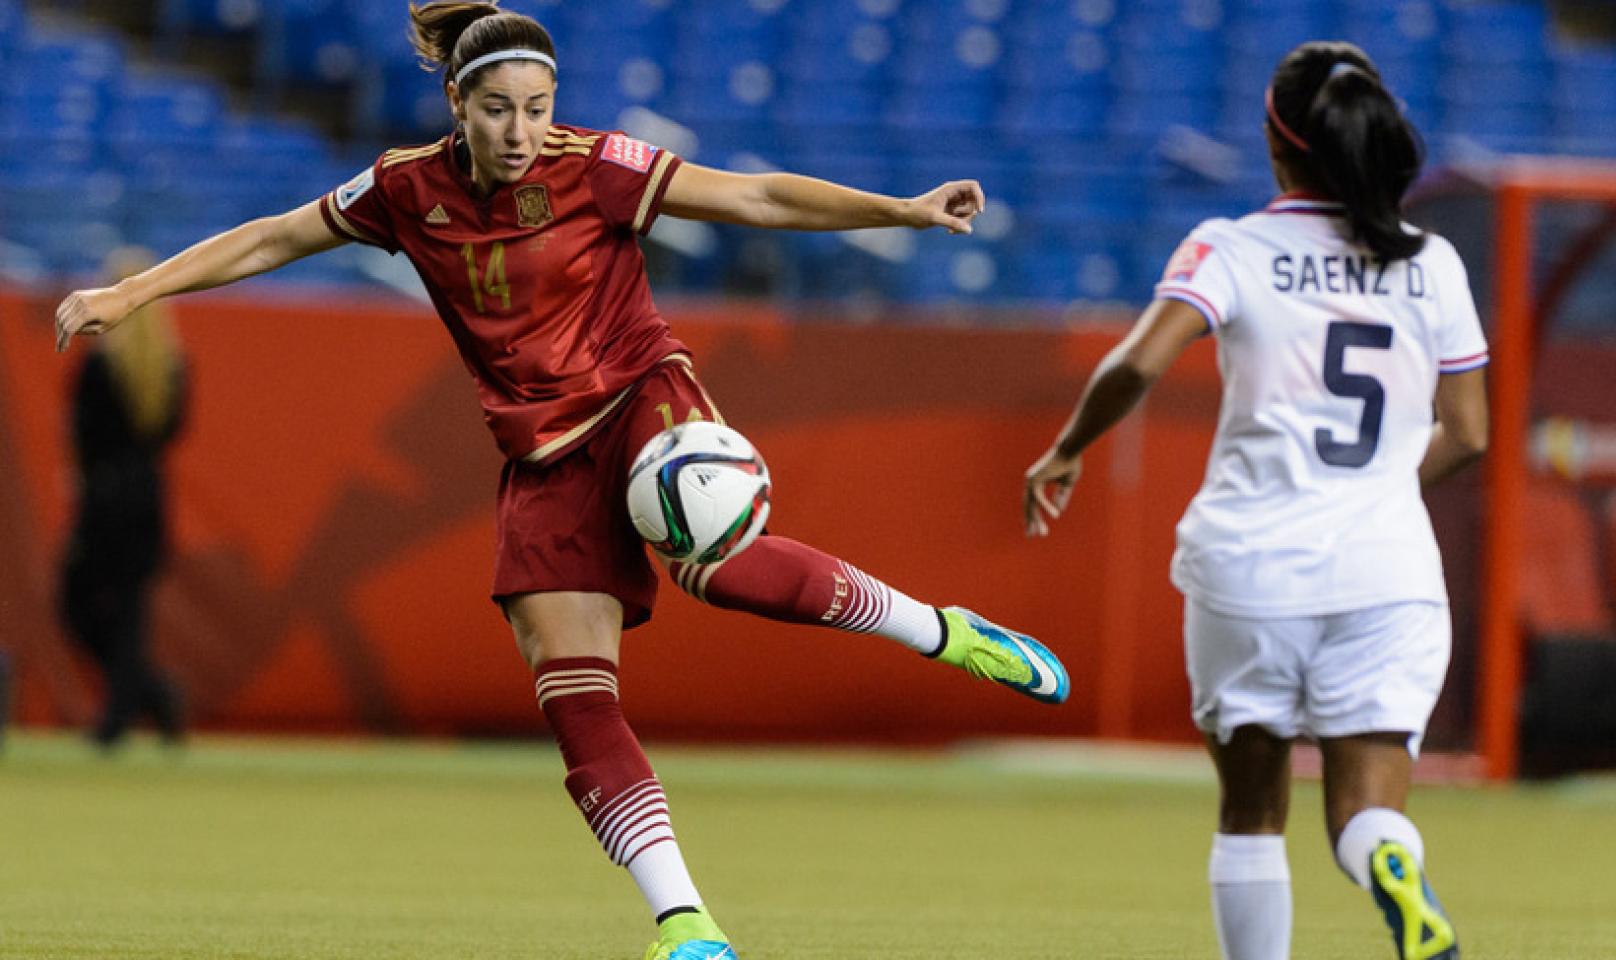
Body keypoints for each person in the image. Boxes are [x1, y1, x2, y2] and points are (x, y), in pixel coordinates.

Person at [53, 4, 1068, 958]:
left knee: (719, 565)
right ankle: (685, 922)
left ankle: (943, 632)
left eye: (537, 108)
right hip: (540, 453)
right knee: (573, 696)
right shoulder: (406, 188)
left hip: (638, 398)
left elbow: (752, 195)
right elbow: (276, 235)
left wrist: (901, 209)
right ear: (458, 105)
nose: (523, 130)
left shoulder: (599, 166)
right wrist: (133, 290)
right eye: (499, 109)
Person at [1023, 41, 1487, 960]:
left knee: (1250, 814)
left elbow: (1136, 365)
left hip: (1252, 569)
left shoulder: (1230, 247)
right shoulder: (1430, 262)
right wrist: (1380, 485)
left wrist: (1067, 447)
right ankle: (1393, 864)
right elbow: (1469, 431)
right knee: (1364, 813)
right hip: (1387, 574)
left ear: (1278, 148)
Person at [60, 247, 189, 749]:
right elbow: (174, 430)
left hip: (104, 495)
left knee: (77, 603)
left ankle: (130, 709)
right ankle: (146, 697)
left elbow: (82, 437)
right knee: (132, 611)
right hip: (147, 495)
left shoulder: (100, 367)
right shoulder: (169, 365)